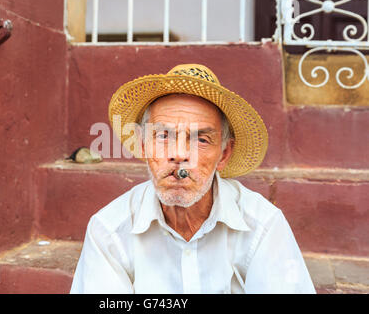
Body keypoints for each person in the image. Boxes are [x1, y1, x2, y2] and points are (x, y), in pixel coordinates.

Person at [70, 64, 315, 294]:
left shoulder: (263, 226)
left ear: (224, 155)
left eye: (201, 140)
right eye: (163, 135)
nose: (179, 154)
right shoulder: (108, 231)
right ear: (143, 145)